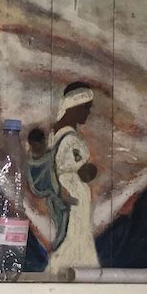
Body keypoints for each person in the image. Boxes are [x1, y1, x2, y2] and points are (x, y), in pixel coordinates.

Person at [35, 82, 101, 272]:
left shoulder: (55, 135)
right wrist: (90, 170)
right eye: (85, 107)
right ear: (74, 106)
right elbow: (83, 172)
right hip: (73, 197)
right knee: (74, 238)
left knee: (73, 238)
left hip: (67, 195)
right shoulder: (70, 139)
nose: (88, 113)